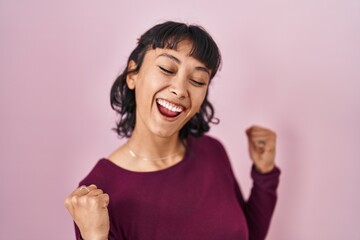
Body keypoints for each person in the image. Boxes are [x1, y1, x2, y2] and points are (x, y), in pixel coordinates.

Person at [64, 21, 280, 240]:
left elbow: (248, 235)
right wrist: (94, 237)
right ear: (132, 75)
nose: (179, 90)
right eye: (167, 69)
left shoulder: (212, 151)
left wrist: (265, 174)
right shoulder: (98, 193)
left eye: (197, 80)